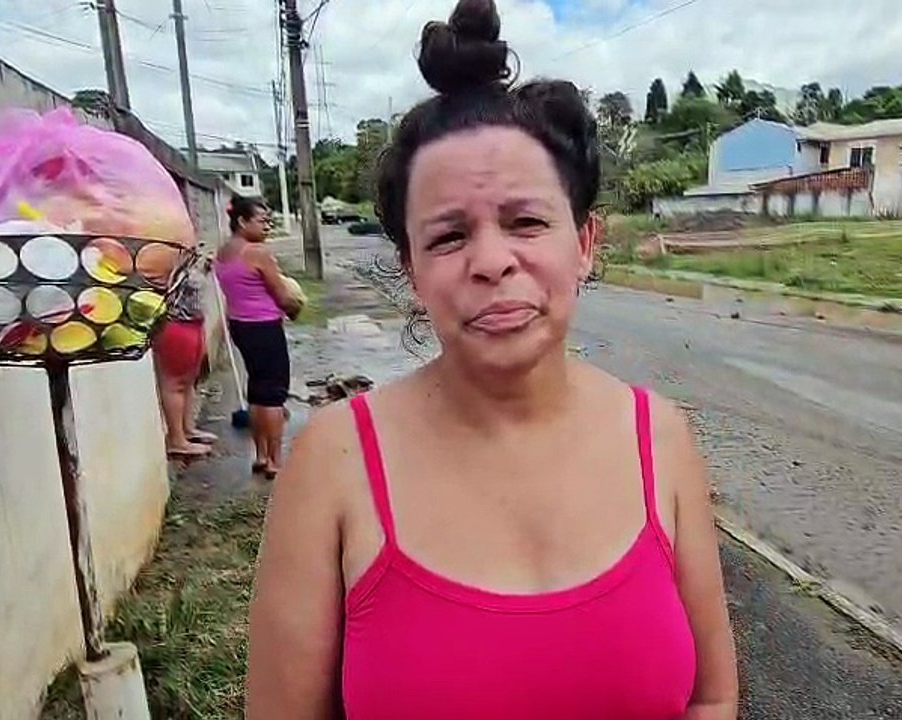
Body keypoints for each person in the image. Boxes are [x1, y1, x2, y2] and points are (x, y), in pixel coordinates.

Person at [246, 0, 738, 717]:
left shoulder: (659, 438)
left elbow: (712, 699)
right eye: (447, 237)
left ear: (586, 243)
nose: (490, 262)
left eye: (526, 222)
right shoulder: (334, 463)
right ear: (411, 269)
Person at [214, 195, 301, 480]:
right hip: (264, 328)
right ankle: (276, 460)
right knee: (274, 396)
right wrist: (295, 307)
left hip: (241, 327)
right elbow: (282, 294)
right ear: (241, 221)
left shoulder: (224, 252)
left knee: (257, 391)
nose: (268, 227)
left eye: (269, 221)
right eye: (262, 221)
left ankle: (261, 455)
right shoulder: (257, 253)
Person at [153, 265, 215, 458]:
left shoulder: (186, 256)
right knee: (175, 385)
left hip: (193, 323)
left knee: (189, 382)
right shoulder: (165, 256)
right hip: (176, 324)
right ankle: (176, 440)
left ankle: (187, 430)